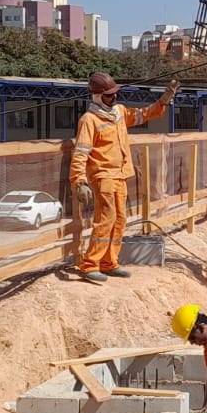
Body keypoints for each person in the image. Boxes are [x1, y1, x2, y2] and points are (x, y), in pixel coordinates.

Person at [70, 71, 178, 281]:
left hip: (120, 175)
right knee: (105, 220)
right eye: (109, 95)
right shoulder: (89, 120)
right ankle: (90, 265)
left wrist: (164, 100)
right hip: (103, 176)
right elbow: (81, 152)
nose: (114, 97)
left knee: (120, 220)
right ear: (98, 96)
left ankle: (110, 263)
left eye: (115, 93)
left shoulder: (119, 112)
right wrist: (80, 181)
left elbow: (144, 114)